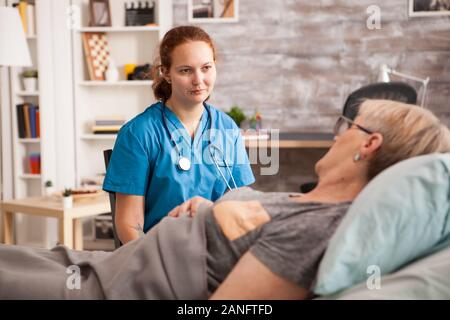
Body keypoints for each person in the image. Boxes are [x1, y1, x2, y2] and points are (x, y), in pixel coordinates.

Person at [1, 99, 450, 299]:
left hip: (118, 288)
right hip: (112, 264)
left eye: (346, 126)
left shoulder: (317, 229)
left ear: (367, 145)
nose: (336, 135)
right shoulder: (308, 203)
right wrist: (212, 212)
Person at [102, 26, 255, 244]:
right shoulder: (138, 134)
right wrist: (155, 265)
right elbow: (129, 225)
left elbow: (241, 207)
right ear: (166, 73)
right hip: (159, 255)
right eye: (185, 70)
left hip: (216, 252)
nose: (198, 80)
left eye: (206, 68)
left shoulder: (227, 128)